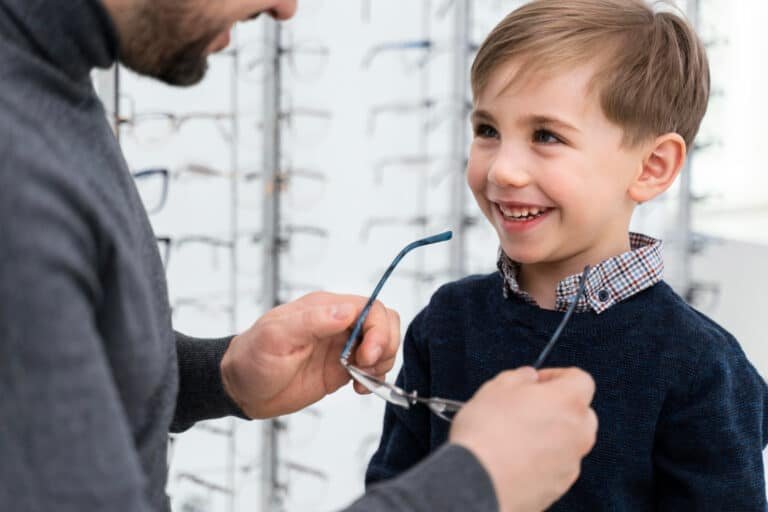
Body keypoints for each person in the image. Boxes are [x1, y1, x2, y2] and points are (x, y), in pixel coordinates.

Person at [0, 0, 598, 511]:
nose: (287, 8)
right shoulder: (18, 173)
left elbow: (45, 393)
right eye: (487, 130)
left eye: (548, 136)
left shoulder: (45, 83)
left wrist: (219, 375)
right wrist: (475, 485)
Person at [366, 0, 768, 510]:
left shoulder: (701, 366)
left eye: (546, 136)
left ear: (650, 167)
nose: (503, 171)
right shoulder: (446, 322)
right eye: (487, 130)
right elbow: (393, 490)